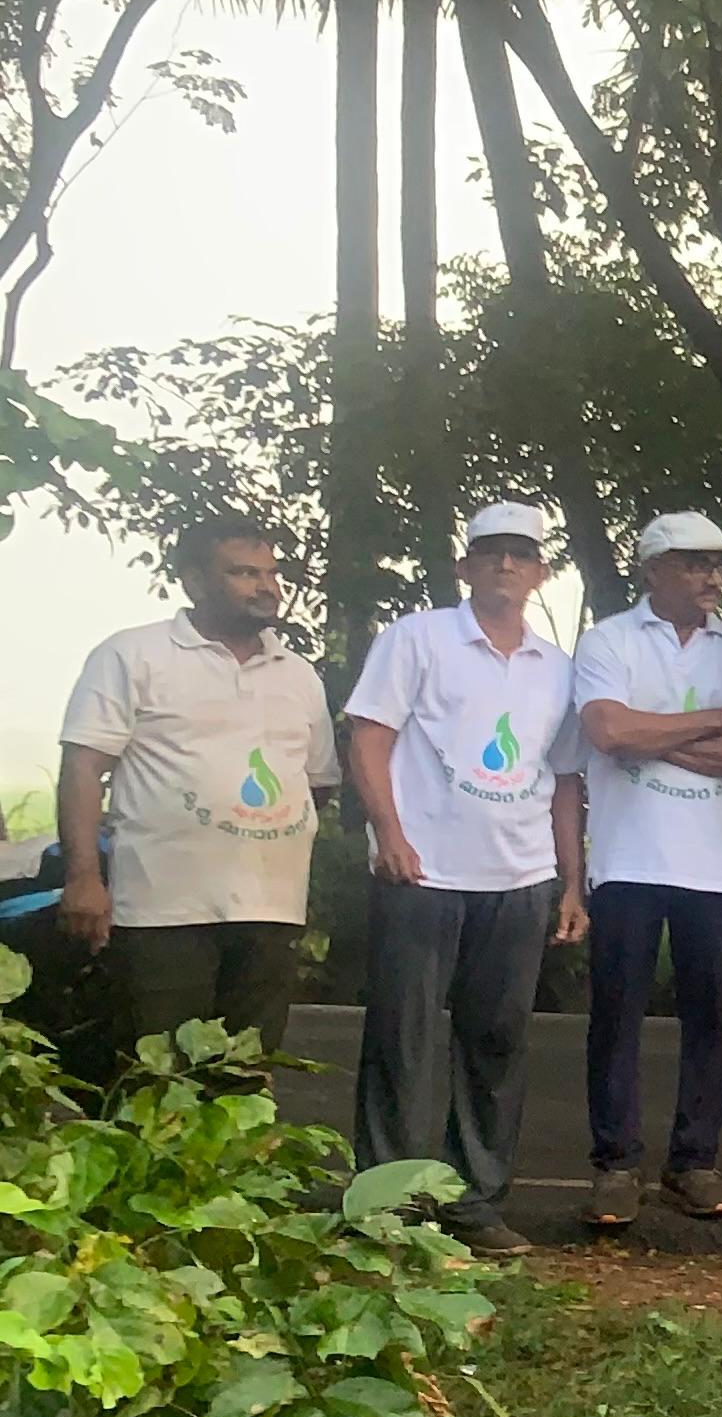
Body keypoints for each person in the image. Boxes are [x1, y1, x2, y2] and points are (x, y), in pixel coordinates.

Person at [342, 501, 589, 1253]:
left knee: (497, 1043)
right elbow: (369, 738)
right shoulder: (417, 638)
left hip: (520, 877)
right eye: (491, 552)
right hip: (423, 873)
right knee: (404, 1039)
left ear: (541, 571)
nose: (506, 565)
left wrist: (571, 883)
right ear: (465, 565)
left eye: (521, 554)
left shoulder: (558, 668)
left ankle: (474, 1203)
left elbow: (566, 780)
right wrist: (389, 833)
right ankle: (386, 1206)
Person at [56, 514, 339, 1055]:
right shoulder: (133, 655)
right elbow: (83, 768)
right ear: (194, 580)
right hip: (163, 911)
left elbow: (316, 785)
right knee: (158, 1075)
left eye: (271, 573)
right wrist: (84, 878)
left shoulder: (298, 673)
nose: (265, 587)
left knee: (247, 1076)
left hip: (271, 911)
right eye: (243, 573)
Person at [570, 512, 722, 1226]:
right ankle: (616, 1164)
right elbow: (608, 730)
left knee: (710, 1016)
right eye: (695, 563)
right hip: (626, 856)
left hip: (712, 865)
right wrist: (710, 720)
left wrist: (651, 736)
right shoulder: (608, 640)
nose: (713, 577)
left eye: (719, 565)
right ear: (653, 570)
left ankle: (693, 1162)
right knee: (616, 1014)